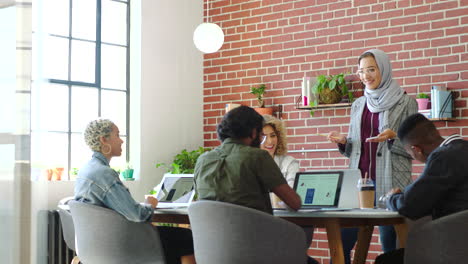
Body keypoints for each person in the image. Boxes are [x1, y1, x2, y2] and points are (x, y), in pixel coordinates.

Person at [194, 106, 318, 264]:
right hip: (256, 248)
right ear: (253, 132)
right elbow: (294, 202)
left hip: (213, 251)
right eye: (261, 134)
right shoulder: (257, 157)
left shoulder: (203, 160)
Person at [326, 49, 418, 263]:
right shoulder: (358, 104)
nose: (365, 76)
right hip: (359, 182)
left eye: (371, 69)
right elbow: (355, 146)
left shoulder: (406, 103)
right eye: (361, 71)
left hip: (392, 180)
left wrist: (393, 137)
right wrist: (344, 142)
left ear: (383, 70)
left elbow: (415, 147)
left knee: (390, 246)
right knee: (342, 242)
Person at [75, 119, 196, 264]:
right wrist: (149, 204)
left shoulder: (86, 170)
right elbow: (138, 215)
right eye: (117, 135)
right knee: (184, 236)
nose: (121, 141)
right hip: (121, 243)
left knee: (171, 241)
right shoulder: (104, 174)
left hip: (97, 244)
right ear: (103, 139)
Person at [375, 113, 468, 263]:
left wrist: (390, 198)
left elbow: (409, 205)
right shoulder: (462, 149)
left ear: (416, 149)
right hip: (460, 243)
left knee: (386, 260)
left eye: (409, 153)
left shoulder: (443, 157)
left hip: (453, 247)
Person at [261, 114, 299, 188]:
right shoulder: (247, 164)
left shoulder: (289, 163)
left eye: (273, 136)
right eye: (263, 137)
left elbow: (290, 194)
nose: (270, 141)